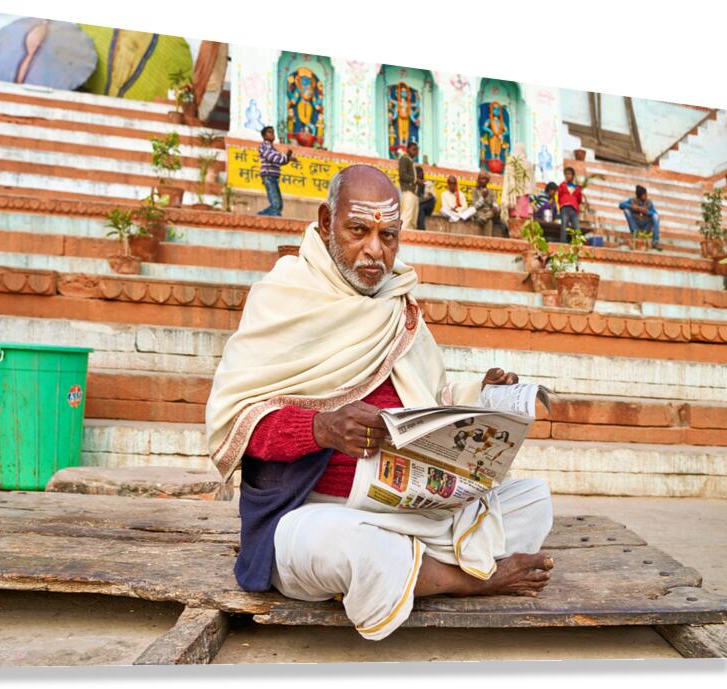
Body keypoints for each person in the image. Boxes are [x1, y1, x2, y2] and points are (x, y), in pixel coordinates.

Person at [206, 164, 555, 641]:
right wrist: (322, 428)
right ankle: (468, 580)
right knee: (355, 548)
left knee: (534, 501)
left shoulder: (398, 303)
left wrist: (483, 394)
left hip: (417, 509)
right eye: (359, 231)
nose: (375, 251)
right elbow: (238, 424)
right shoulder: (282, 296)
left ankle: (411, 570)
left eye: (388, 236)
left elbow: (432, 400)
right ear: (326, 222)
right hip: (316, 515)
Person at [257, 125, 293, 217]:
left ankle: (261, 215)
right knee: (276, 205)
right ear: (264, 136)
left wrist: (288, 157)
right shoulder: (264, 146)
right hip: (268, 176)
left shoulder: (273, 149)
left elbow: (281, 161)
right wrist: (286, 157)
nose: (272, 134)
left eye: (273, 132)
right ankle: (268, 217)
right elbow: (273, 158)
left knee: (278, 205)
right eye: (269, 132)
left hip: (274, 177)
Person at [619, 185, 662, 250]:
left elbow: (655, 213)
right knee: (626, 211)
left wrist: (646, 212)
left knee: (655, 216)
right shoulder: (632, 200)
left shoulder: (649, 202)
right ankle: (635, 233)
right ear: (640, 195)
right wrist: (632, 207)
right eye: (644, 194)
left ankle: (655, 242)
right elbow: (621, 205)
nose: (646, 196)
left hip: (646, 227)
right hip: (636, 226)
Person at [471, 170, 505, 236]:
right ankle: (484, 218)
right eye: (481, 179)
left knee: (499, 208)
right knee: (476, 213)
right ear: (478, 180)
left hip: (489, 212)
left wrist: (495, 207)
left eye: (484, 179)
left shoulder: (491, 192)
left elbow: (495, 203)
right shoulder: (475, 190)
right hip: (479, 212)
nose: (482, 181)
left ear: (487, 181)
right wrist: (482, 197)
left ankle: (484, 218)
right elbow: (474, 206)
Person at [557, 166, 582, 243]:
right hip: (564, 208)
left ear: (573, 176)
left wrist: (573, 203)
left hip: (574, 209)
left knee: (577, 227)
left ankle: (578, 243)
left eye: (569, 174)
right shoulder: (562, 185)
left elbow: (579, 200)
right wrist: (563, 204)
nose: (567, 175)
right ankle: (563, 243)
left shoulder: (577, 188)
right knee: (564, 226)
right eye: (566, 174)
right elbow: (559, 197)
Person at [398, 142, 419, 230]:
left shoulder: (410, 161)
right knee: (407, 216)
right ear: (408, 149)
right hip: (407, 192)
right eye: (413, 149)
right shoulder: (404, 159)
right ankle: (401, 234)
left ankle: (410, 236)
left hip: (413, 193)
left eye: (417, 150)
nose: (416, 152)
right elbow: (402, 175)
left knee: (413, 220)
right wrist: (415, 180)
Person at [415, 166, 436, 230]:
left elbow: (433, 197)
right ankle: (421, 228)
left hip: (428, 206)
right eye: (417, 173)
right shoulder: (413, 185)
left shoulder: (428, 183)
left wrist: (424, 199)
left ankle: (420, 228)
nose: (419, 174)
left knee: (431, 199)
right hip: (419, 206)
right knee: (421, 209)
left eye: (420, 173)